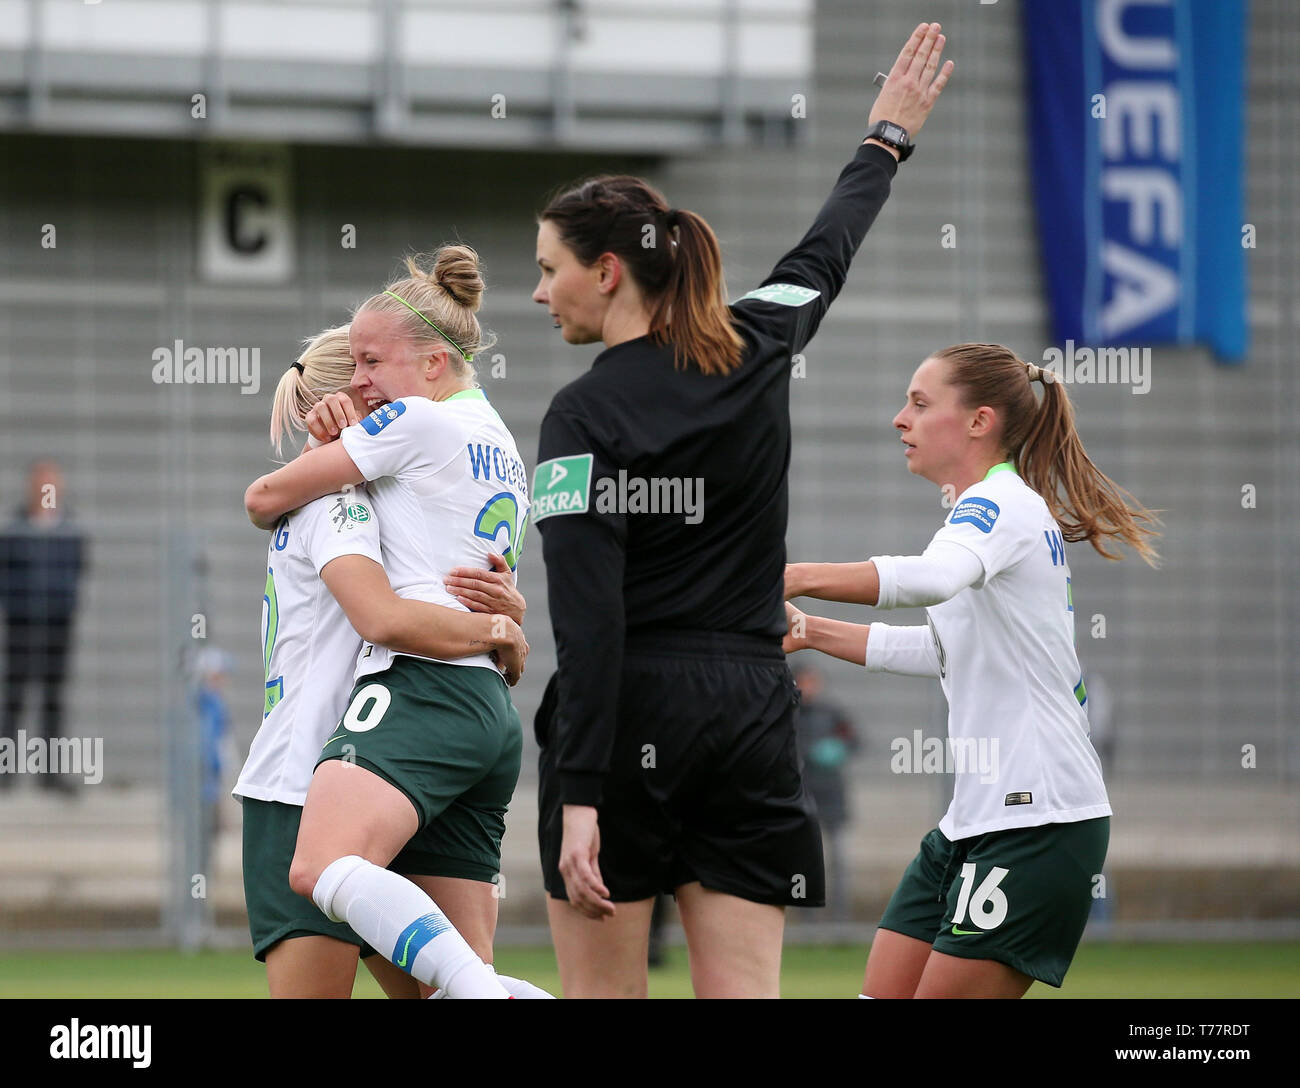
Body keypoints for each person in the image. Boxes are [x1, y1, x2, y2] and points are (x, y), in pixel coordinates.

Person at [528, 23, 953, 998]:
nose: (539, 289)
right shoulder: (756, 343)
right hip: (751, 713)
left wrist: (582, 796)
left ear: (607, 271)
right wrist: (884, 139)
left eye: (549, 266)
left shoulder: (582, 412)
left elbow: (589, 620)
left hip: (630, 706)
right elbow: (827, 249)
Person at [783, 342, 1160, 998]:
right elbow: (943, 651)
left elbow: (929, 579)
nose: (901, 419)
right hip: (972, 821)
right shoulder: (983, 510)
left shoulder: (1001, 503)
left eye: (921, 404)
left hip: (1038, 820)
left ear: (979, 421)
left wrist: (790, 576)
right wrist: (808, 630)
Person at [244, 247, 536, 998]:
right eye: (362, 369)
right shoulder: (350, 498)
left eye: (378, 366)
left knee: (450, 981)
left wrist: (502, 631)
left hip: (368, 754)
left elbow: (392, 612)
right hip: (350, 755)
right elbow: (398, 611)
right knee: (450, 981)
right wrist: (501, 635)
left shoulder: (379, 481)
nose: (373, 386)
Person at [0, 460, 87, 794]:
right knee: (14, 696)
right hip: (21, 624)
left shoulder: (69, 528)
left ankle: (49, 775)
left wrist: (60, 605)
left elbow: (76, 571)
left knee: (53, 698)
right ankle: (6, 772)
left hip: (56, 625)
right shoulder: (16, 527)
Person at [791, 665, 860, 924]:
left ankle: (841, 918)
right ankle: (807, 920)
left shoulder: (832, 712)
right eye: (803, 682)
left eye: (813, 681)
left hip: (833, 795)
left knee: (839, 859)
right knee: (805, 860)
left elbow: (855, 740)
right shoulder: (788, 713)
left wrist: (838, 747)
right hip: (801, 796)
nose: (808, 687)